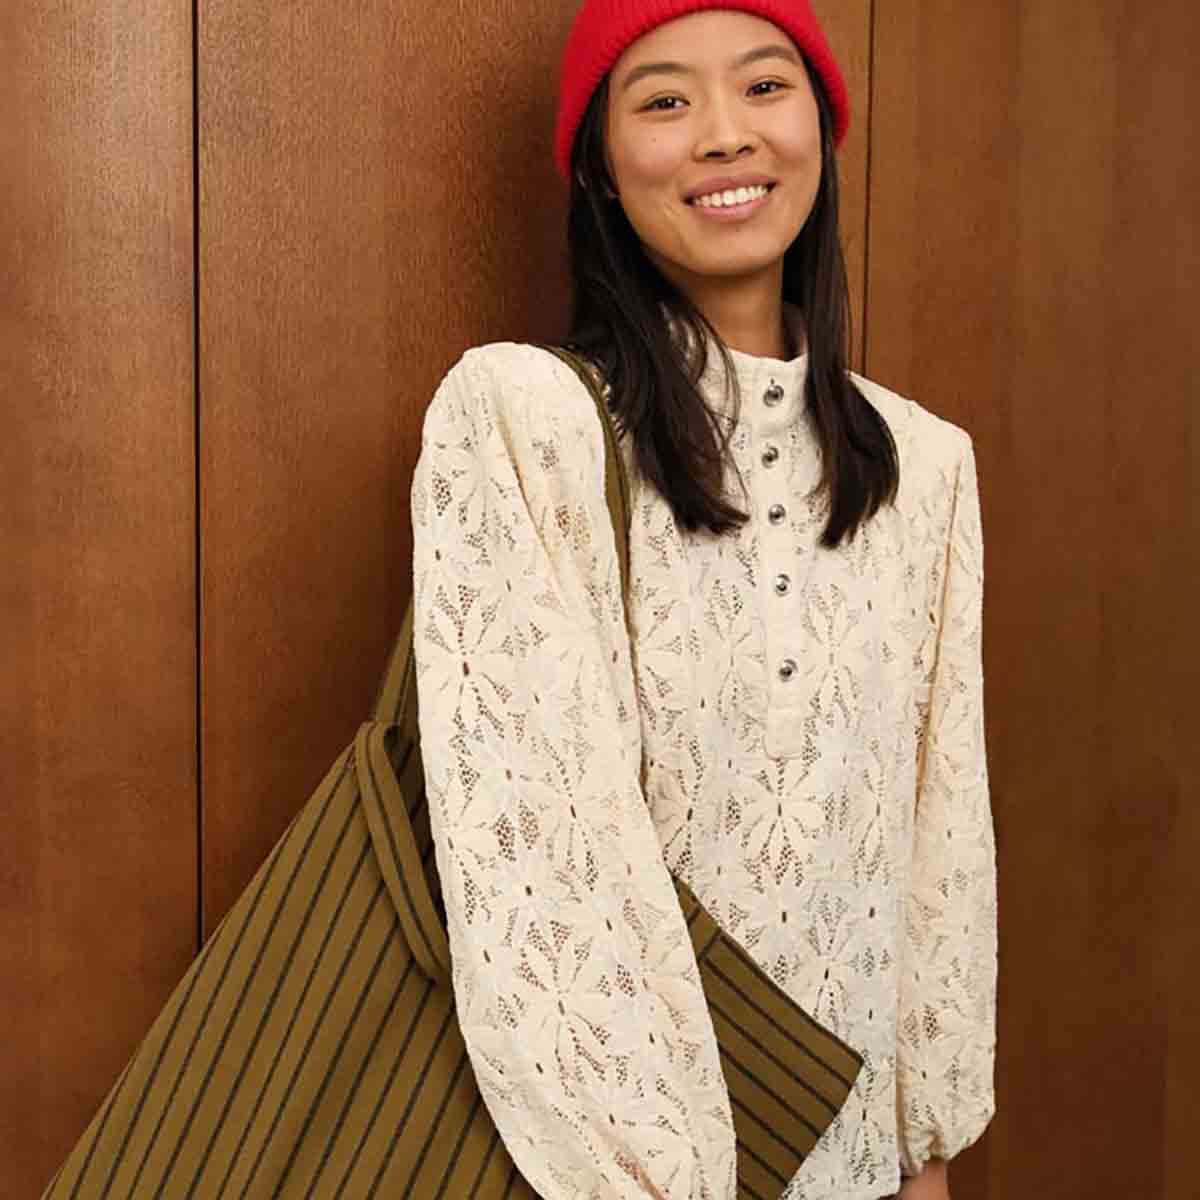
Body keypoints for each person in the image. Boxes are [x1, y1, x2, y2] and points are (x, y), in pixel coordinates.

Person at [409, 1, 998, 1197]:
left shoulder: (924, 464)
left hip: (854, 1165)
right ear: (597, 165)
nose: (726, 133)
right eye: (667, 100)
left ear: (823, 129)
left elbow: (939, 846)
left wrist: (923, 1149)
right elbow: (542, 860)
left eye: (765, 87)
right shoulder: (525, 418)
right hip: (600, 1172)